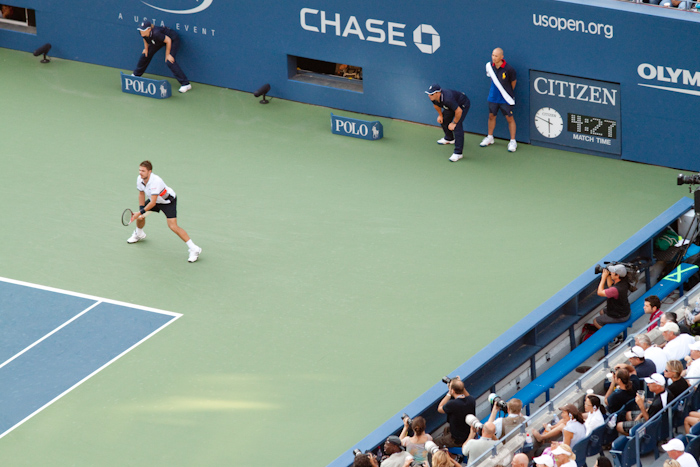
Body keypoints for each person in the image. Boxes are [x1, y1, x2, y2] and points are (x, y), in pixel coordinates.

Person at [127, 160, 202, 263]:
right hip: (155, 199)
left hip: (167, 202)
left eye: (143, 171)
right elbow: (141, 194)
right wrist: (140, 210)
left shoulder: (156, 181)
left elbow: (153, 203)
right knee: (140, 217)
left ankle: (194, 249)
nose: (140, 173)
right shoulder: (139, 179)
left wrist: (139, 212)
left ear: (149, 172)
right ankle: (139, 234)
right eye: (140, 170)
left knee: (172, 226)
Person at [134, 20, 192, 93]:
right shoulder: (142, 32)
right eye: (141, 30)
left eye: (143, 30)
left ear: (149, 29)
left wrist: (167, 55)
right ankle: (136, 75)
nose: (141, 31)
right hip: (159, 40)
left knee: (169, 61)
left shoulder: (156, 33)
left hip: (172, 39)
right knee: (146, 54)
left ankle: (186, 84)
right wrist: (146, 49)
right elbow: (145, 38)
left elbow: (168, 40)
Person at [479, 48, 517, 153]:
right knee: (491, 116)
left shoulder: (509, 69)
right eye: (492, 55)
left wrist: (506, 93)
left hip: (505, 99)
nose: (493, 58)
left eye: (496, 56)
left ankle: (513, 141)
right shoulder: (489, 66)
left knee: (510, 119)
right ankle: (490, 137)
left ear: (501, 57)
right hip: (493, 98)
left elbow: (513, 82)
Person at [425, 84, 471, 162]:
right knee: (444, 120)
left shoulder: (448, 98)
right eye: (429, 93)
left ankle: (458, 153)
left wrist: (454, 123)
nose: (430, 96)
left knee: (457, 127)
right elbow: (436, 105)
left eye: (432, 94)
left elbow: (458, 111)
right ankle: (449, 138)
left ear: (438, 93)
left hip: (462, 105)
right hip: (450, 106)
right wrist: (440, 115)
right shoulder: (433, 97)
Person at [434, 378, 476, 448]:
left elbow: (439, 408)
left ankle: (448, 456)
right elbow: (466, 394)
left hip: (458, 439)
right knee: (446, 429)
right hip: (469, 432)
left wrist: (449, 394)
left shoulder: (452, 404)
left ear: (452, 391)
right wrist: (458, 384)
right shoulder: (471, 400)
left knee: (435, 442)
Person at [593, 264, 636, 329]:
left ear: (617, 275)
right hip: (624, 311)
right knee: (602, 312)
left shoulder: (616, 290)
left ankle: (610, 337)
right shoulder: (623, 282)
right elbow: (611, 285)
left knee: (596, 321)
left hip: (620, 316)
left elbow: (600, 292)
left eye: (613, 272)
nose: (611, 273)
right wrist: (608, 276)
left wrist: (603, 278)